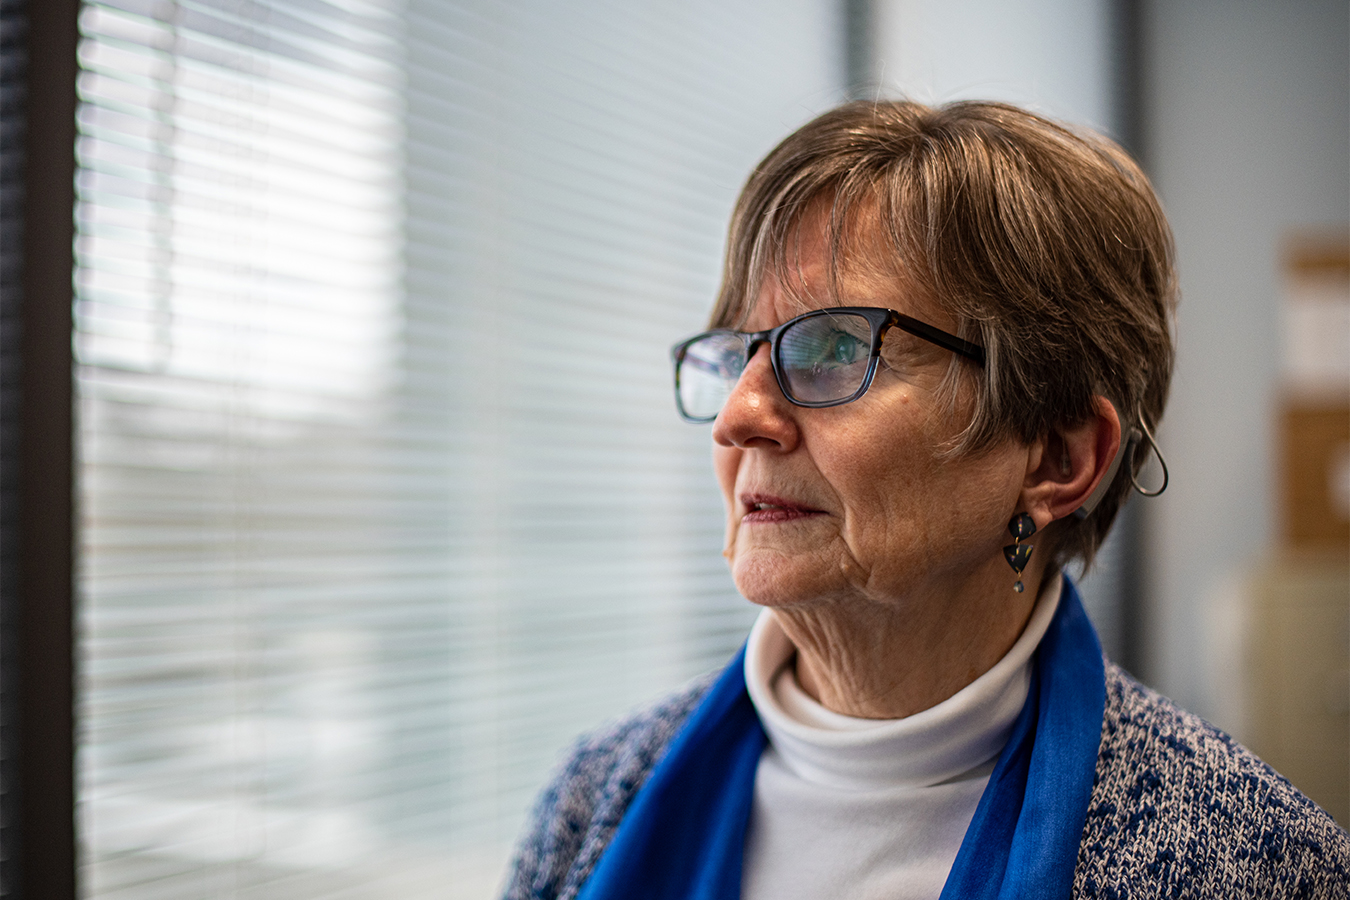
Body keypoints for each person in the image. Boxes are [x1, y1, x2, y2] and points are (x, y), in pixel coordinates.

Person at [501, 100, 1349, 900]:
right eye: (738, 354)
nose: (739, 417)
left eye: (832, 347)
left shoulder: (1250, 863)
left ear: (1057, 456)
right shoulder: (594, 801)